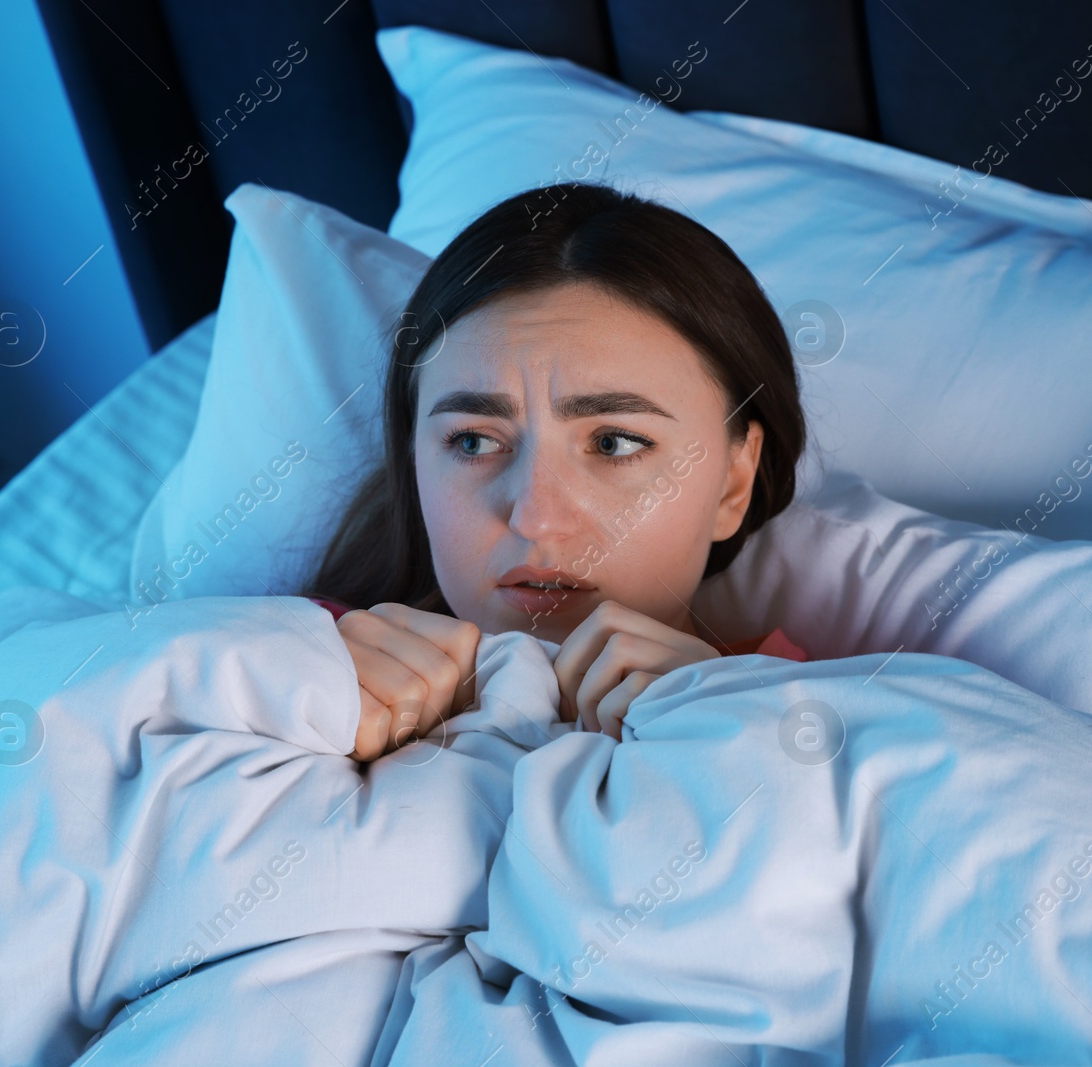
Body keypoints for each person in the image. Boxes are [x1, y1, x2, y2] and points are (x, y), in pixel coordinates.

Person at [299, 180, 808, 762]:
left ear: (734, 484)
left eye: (615, 443)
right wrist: (275, 684)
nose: (536, 519)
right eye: (472, 440)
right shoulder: (279, 674)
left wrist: (733, 743)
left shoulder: (816, 722)